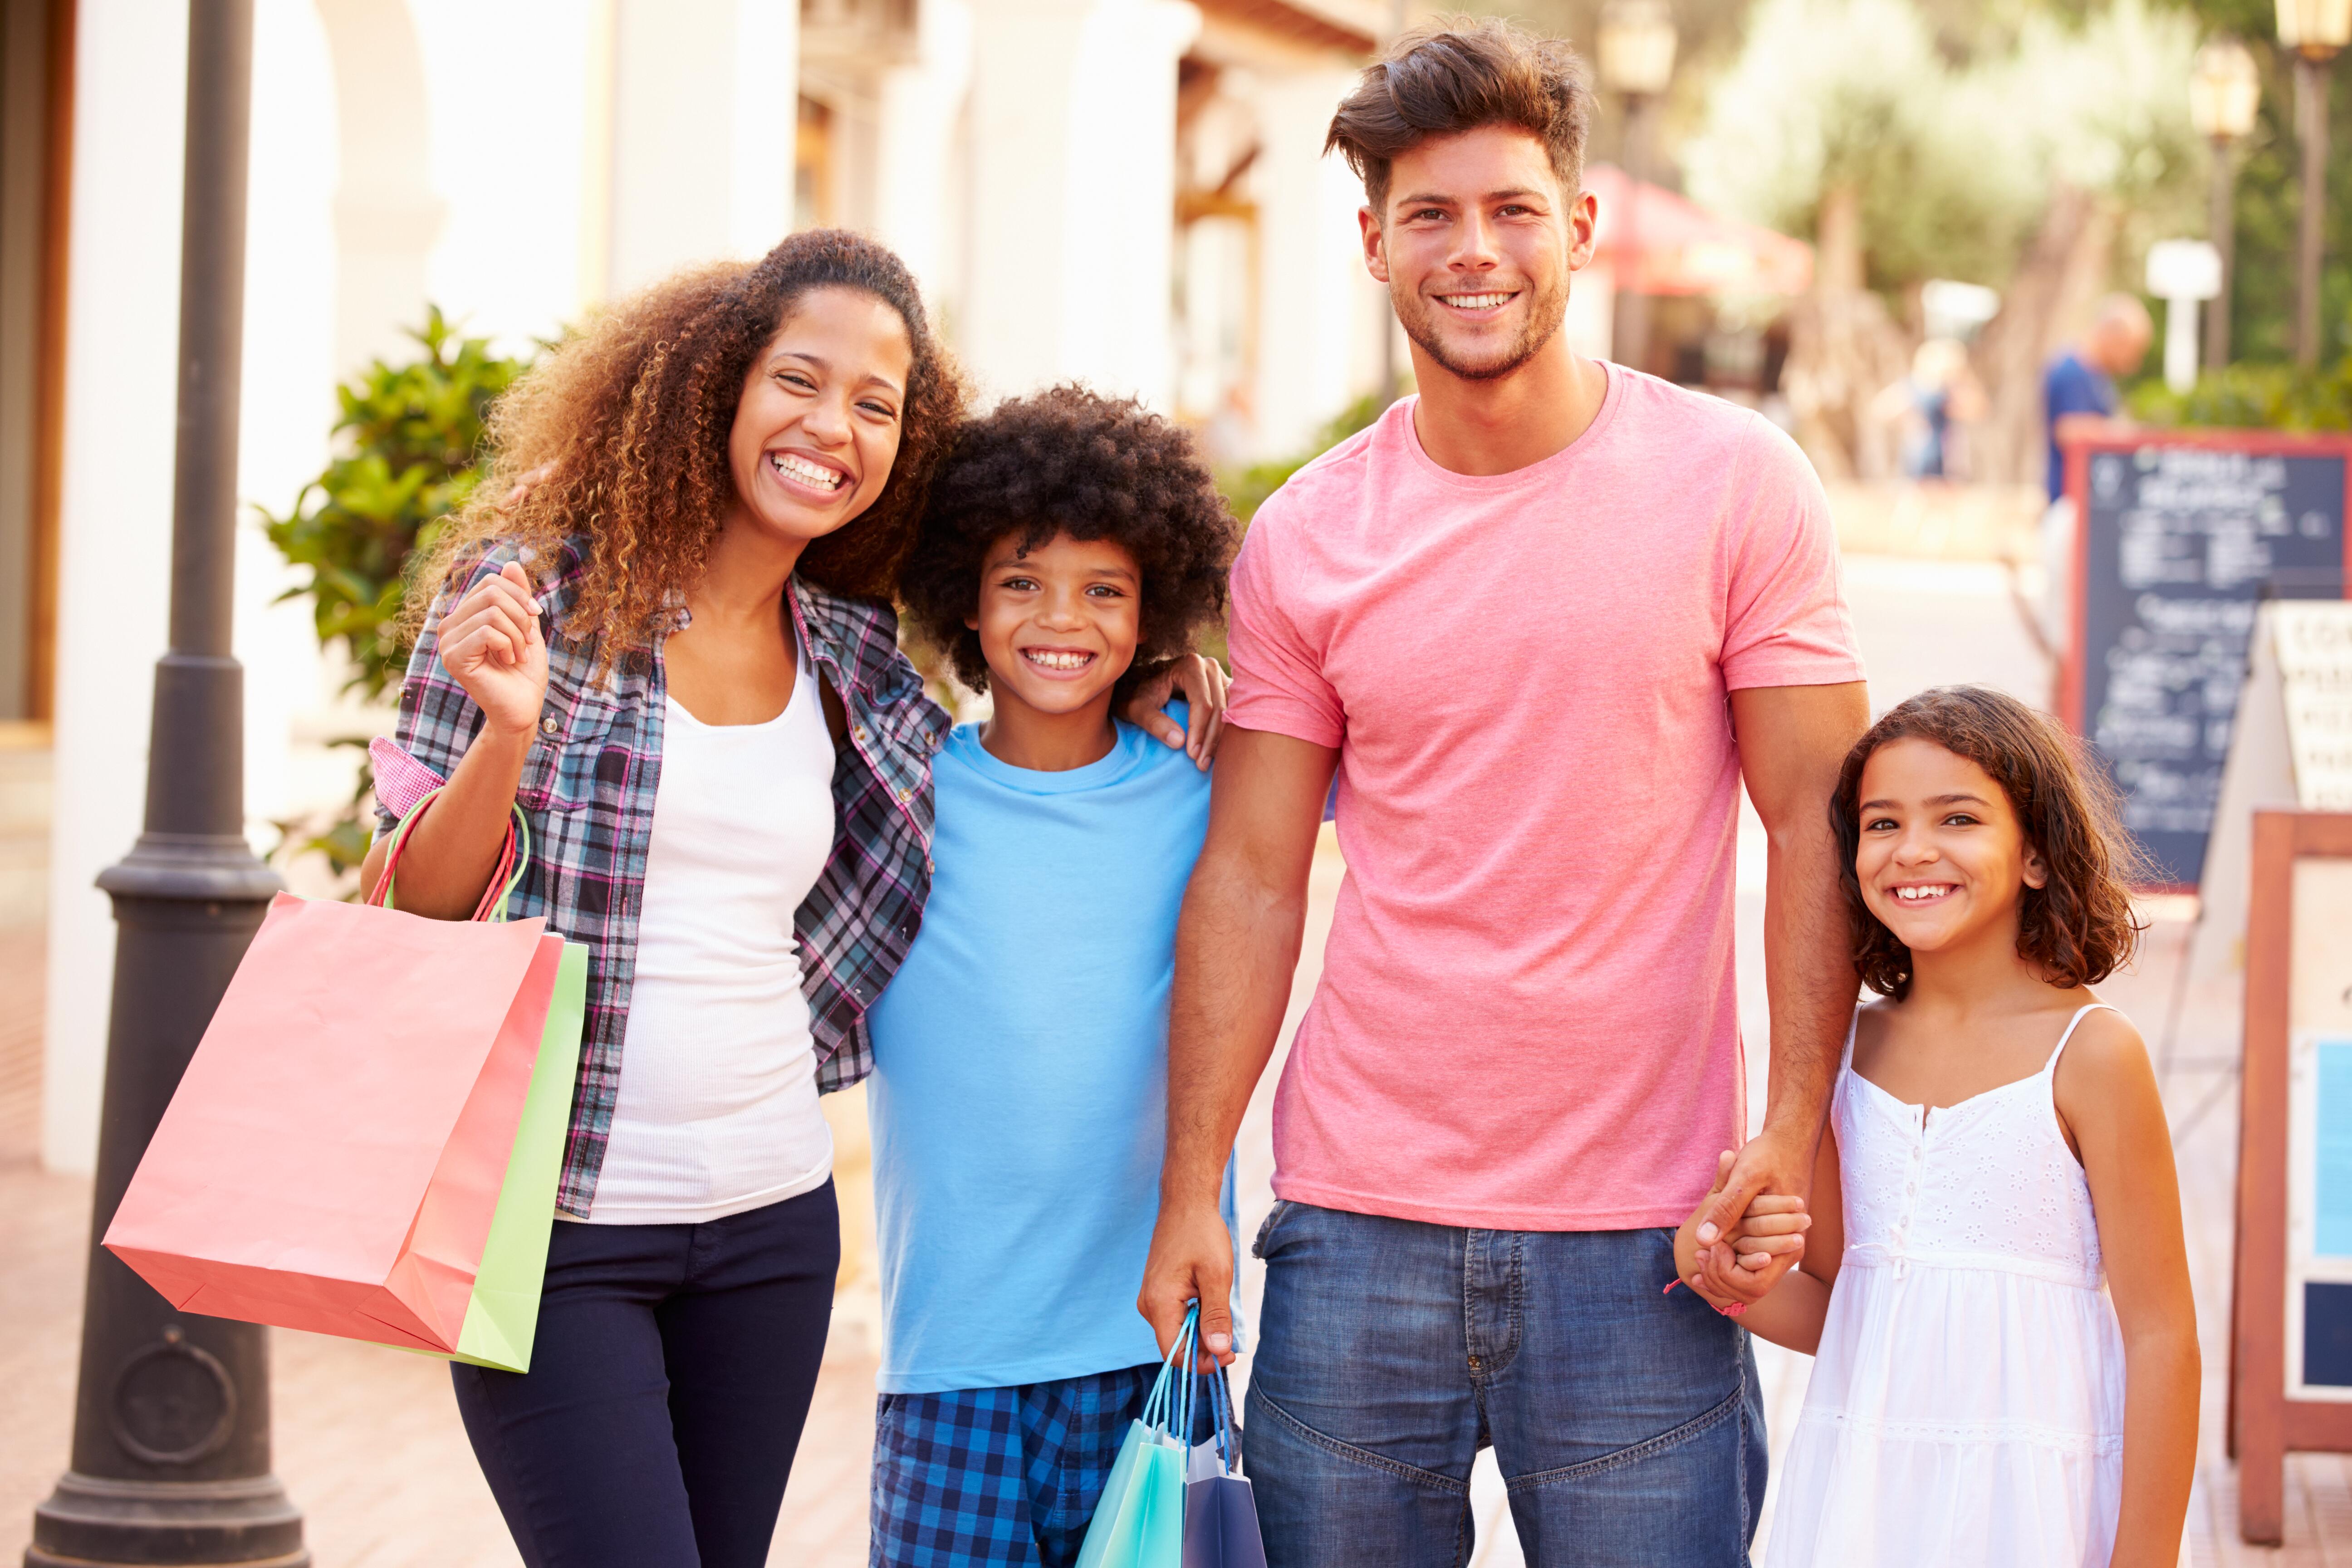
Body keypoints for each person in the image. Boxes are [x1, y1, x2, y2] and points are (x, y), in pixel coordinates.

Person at [357, 232, 1218, 1568]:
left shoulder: (853, 653)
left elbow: (1015, 748)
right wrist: (506, 740)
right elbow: (412, 904)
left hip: (769, 1228)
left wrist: (1151, 677)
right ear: (719, 386)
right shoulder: (537, 592)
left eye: (877, 406)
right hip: (558, 1227)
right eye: (801, 382)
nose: (834, 427)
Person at [1135, 19, 1871, 1565]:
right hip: (1352, 1225)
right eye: (1430, 216)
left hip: (1646, 1239)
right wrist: (1190, 1184)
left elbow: (1817, 818)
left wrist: (1793, 1127)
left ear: (1579, 225)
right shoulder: (1307, 536)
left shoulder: (1734, 484)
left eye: (1512, 209)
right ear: (1372, 244)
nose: (1474, 252)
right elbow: (1255, 873)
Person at [1674, 685, 2199, 1566]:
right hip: (1867, 1506)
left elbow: (2162, 1337)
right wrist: (1718, 1277)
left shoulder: (2093, 1056)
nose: (1913, 850)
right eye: (1882, 824)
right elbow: (1853, 1309)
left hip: (2034, 1509)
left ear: (2037, 852)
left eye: (1957, 819)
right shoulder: (1846, 1057)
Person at [866, 387, 1239, 1566]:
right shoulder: (897, 792)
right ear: (965, 604)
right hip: (952, 1362)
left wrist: (1199, 679)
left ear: (1151, 619)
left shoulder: (1203, 785)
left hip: (1157, 1348)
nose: (1059, 619)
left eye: (1106, 592)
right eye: (1022, 582)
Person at [2039, 296, 2153, 657]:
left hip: (2085, 510)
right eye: (2132, 349)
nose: (2133, 362)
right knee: (2067, 631)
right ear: (2113, 334)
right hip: (2070, 506)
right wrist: (2124, 434)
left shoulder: (2095, 378)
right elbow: (2070, 431)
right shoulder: (2072, 372)